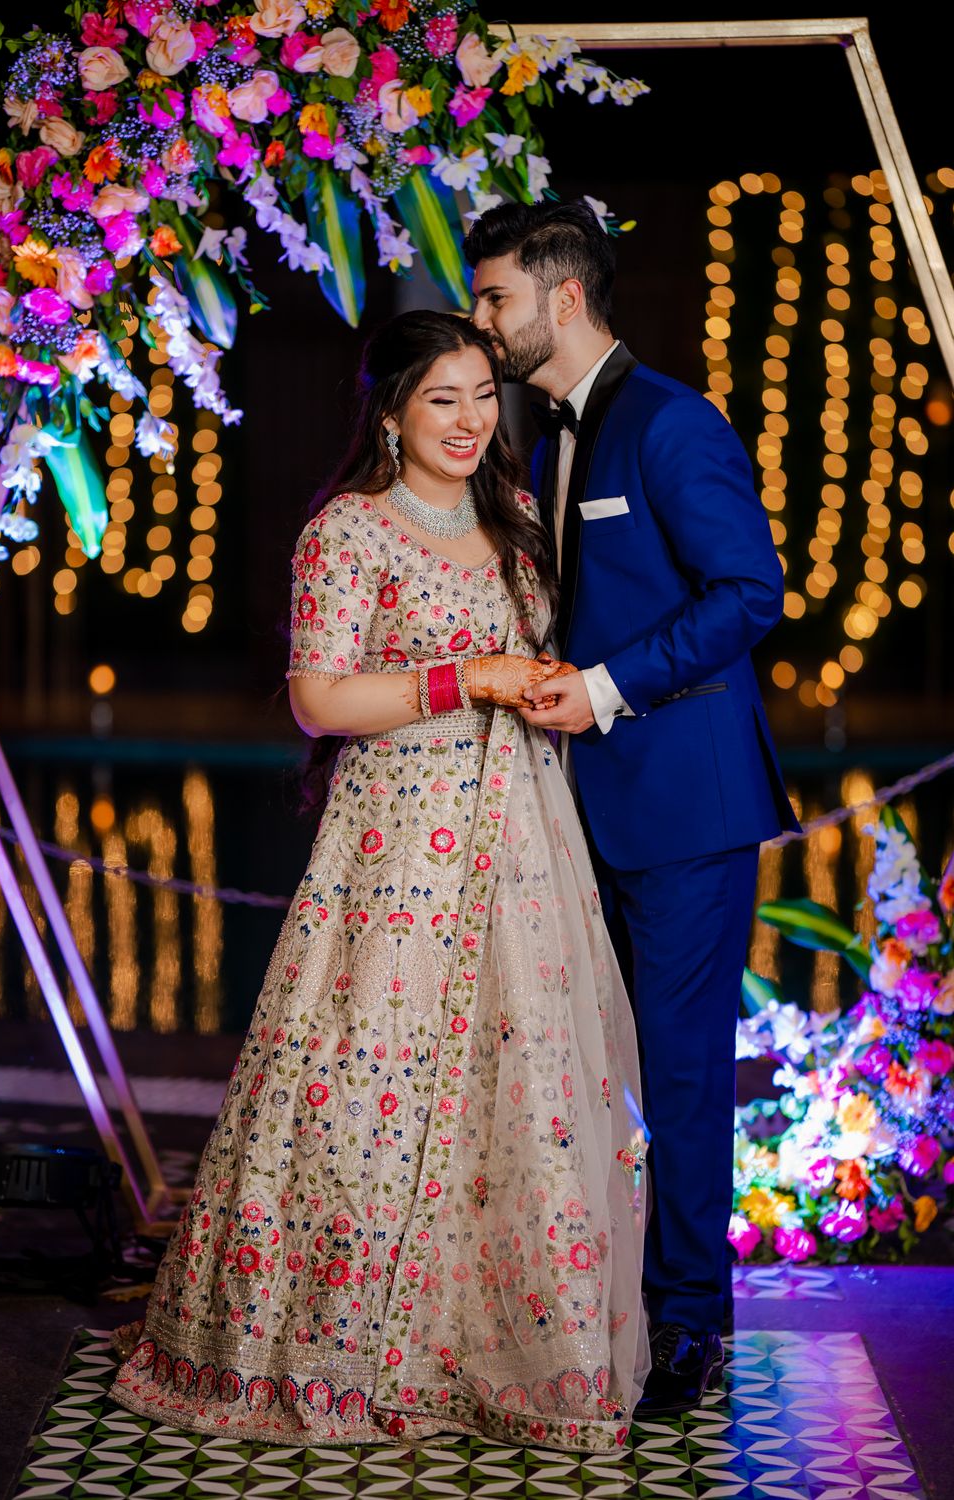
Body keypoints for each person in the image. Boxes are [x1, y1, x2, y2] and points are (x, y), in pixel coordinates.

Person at [109, 310, 650, 1452]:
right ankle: (337, 1355)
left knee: (521, 1105)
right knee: (366, 1091)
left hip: (520, 852)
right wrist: (470, 677)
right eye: (441, 398)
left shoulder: (513, 521)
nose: (467, 420)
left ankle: (498, 1355)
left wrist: (544, 684)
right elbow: (319, 699)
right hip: (397, 854)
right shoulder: (348, 534)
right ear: (393, 411)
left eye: (481, 396)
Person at [465, 200, 801, 1418]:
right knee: (598, 1067)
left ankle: (690, 1326)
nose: (485, 319)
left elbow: (748, 594)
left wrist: (603, 686)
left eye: (497, 295)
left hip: (684, 806)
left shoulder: (670, 421)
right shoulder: (554, 435)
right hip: (588, 807)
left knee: (681, 1075)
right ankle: (611, 1300)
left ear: (562, 295)